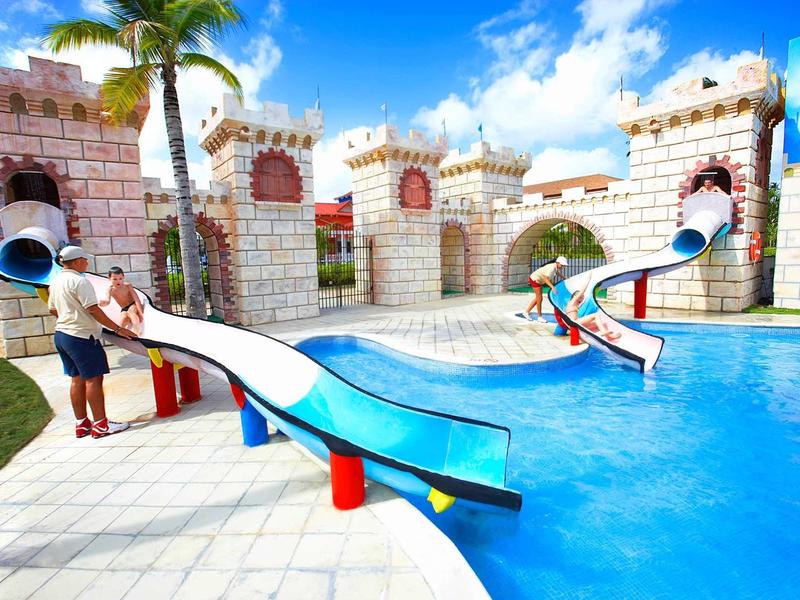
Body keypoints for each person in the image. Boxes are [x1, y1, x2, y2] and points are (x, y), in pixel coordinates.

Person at [47, 246, 137, 439]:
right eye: (85, 260)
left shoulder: (55, 282)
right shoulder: (80, 281)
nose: (87, 263)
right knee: (93, 379)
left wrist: (70, 318)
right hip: (81, 337)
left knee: (76, 379)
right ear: (78, 261)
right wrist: (118, 328)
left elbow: (53, 310)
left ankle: (82, 424)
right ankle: (101, 425)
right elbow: (93, 310)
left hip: (62, 335)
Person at [564, 276, 621, 340]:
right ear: (575, 296)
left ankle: (609, 336)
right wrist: (588, 279)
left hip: (576, 322)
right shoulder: (573, 301)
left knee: (597, 324)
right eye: (580, 296)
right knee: (595, 315)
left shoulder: (576, 304)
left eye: (582, 297)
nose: (582, 298)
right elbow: (582, 291)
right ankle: (603, 332)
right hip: (574, 322)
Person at [99, 266, 144, 335]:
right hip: (124, 309)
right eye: (115, 279)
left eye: (120, 279)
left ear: (123, 277)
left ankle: (137, 332)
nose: (118, 281)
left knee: (131, 312)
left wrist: (141, 314)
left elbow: (136, 299)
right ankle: (121, 336)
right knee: (121, 322)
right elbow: (107, 300)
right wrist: (104, 303)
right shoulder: (110, 290)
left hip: (132, 304)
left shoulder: (127, 286)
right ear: (109, 279)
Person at [523, 256, 568, 323]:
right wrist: (552, 287)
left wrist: (563, 277)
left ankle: (526, 312)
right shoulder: (552, 268)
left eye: (564, 265)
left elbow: (556, 272)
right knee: (539, 298)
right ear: (558, 263)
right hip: (535, 280)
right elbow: (546, 279)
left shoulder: (555, 267)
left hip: (539, 280)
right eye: (562, 265)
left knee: (538, 298)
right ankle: (539, 317)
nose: (563, 266)